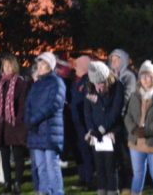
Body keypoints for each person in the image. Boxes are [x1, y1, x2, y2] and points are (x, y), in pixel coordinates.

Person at [26, 52, 66, 195]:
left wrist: (34, 119)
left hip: (50, 130)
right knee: (40, 166)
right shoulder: (36, 85)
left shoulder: (57, 82)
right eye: (39, 64)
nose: (41, 67)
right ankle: (43, 191)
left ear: (50, 66)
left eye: (44, 64)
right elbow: (28, 104)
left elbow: (53, 104)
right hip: (36, 131)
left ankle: (57, 192)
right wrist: (28, 119)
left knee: (51, 166)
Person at [0, 53, 29, 195]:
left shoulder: (21, 83)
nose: (7, 68)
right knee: (4, 156)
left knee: (18, 156)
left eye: (9, 65)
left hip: (15, 124)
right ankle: (7, 183)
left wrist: (18, 121)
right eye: (5, 65)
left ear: (15, 66)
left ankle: (17, 183)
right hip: (1, 125)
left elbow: (23, 105)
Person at [84, 61, 125, 195]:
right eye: (96, 84)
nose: (99, 87)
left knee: (110, 166)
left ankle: (113, 191)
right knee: (99, 167)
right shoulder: (89, 87)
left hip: (111, 132)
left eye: (101, 83)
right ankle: (101, 191)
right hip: (96, 133)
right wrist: (91, 130)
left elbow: (115, 111)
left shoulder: (117, 86)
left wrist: (102, 129)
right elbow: (87, 111)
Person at [126, 61, 153, 195]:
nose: (144, 79)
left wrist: (147, 131)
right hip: (136, 141)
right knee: (137, 174)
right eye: (142, 76)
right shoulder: (134, 96)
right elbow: (128, 116)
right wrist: (133, 129)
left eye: (148, 76)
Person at [109, 49, 136, 189]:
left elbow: (127, 96)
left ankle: (130, 184)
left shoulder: (128, 76)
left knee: (126, 153)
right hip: (114, 120)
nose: (114, 62)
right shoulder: (109, 76)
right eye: (112, 60)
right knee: (116, 153)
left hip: (125, 119)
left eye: (117, 59)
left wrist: (116, 110)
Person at [69, 54, 94, 189]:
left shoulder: (88, 81)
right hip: (74, 121)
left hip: (83, 121)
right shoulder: (75, 80)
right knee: (78, 150)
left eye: (78, 64)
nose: (75, 66)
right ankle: (82, 177)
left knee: (86, 151)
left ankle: (89, 180)